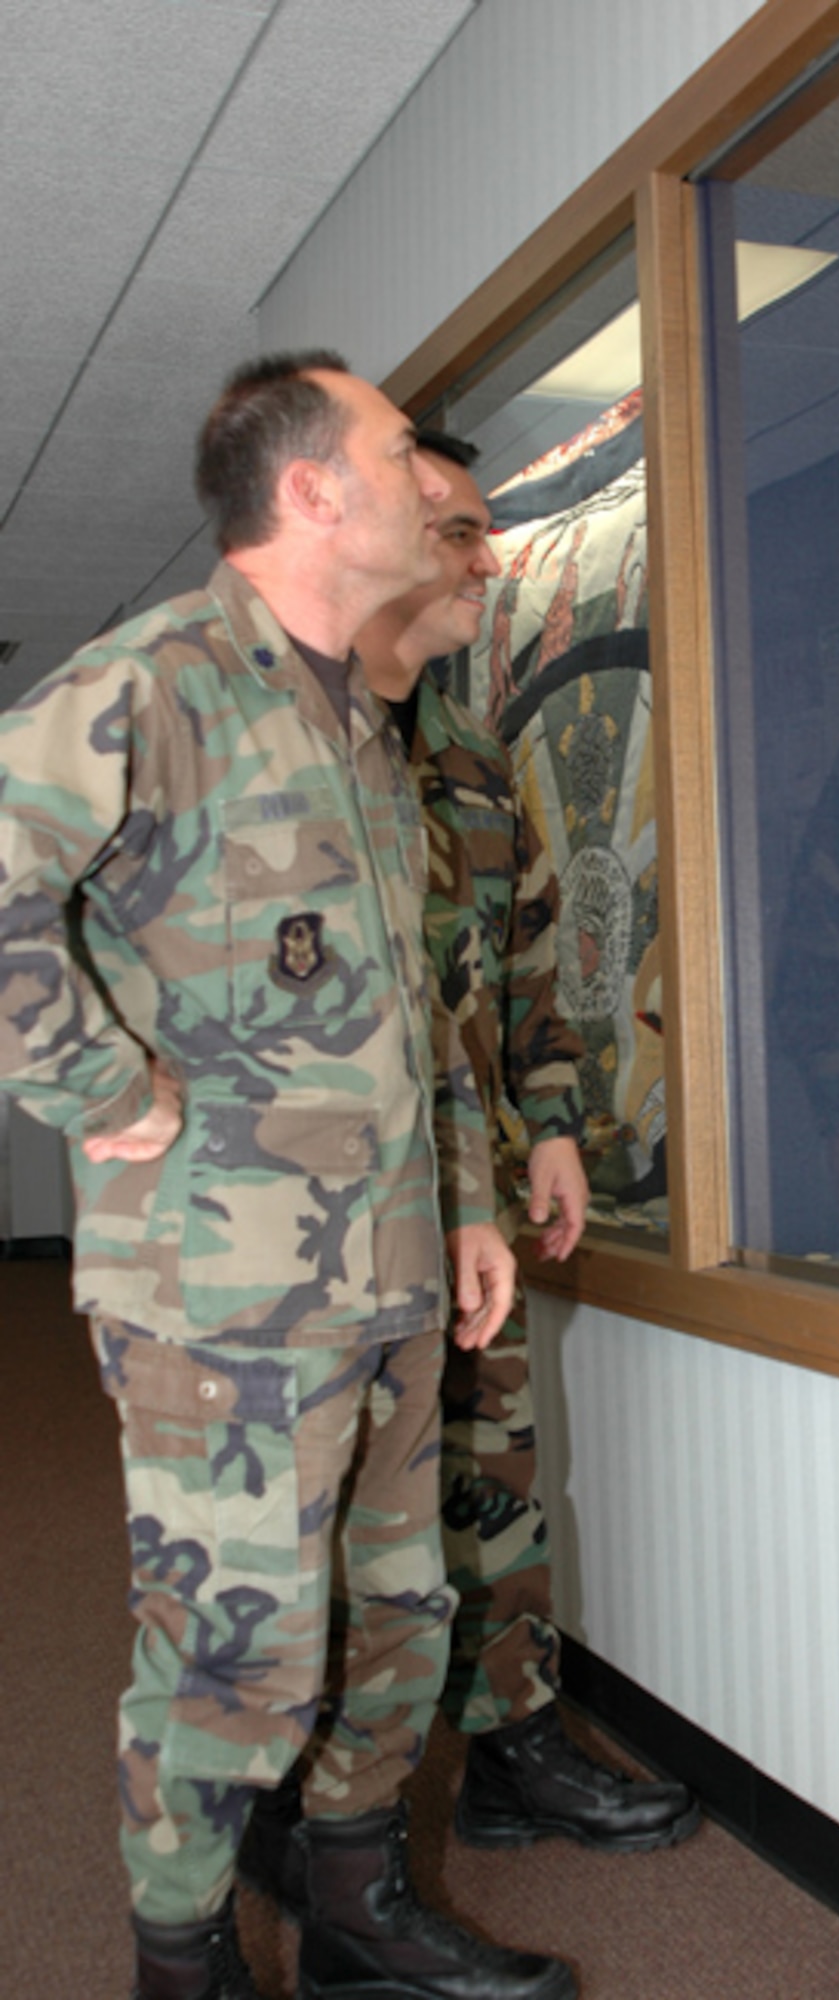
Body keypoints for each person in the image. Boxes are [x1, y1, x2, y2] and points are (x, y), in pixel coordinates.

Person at [0, 355, 574, 2000]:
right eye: (400, 455)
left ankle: (355, 1908)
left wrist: (464, 1199)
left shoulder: (362, 728)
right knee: (231, 1655)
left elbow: (413, 1005)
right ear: (313, 490)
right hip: (222, 1300)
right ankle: (179, 1960)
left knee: (401, 1616)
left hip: (389, 1275)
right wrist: (94, 1085)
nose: (431, 489)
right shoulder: (160, 684)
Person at [245, 431, 698, 1889]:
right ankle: (283, 1799)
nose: (488, 561)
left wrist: (553, 1125)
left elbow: (527, 968)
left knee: (490, 1471)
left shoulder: (470, 759)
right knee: (315, 1511)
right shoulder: (265, 743)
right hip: (312, 1235)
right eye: (457, 531)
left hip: (472, 1208)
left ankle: (509, 1743)